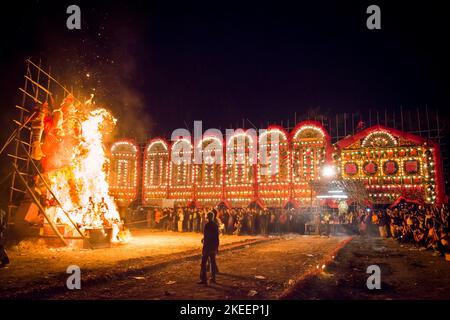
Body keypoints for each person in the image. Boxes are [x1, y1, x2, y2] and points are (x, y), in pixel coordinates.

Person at [198, 211, 219, 285]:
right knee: (212, 263)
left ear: (208, 217)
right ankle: (213, 278)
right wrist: (216, 247)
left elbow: (206, 236)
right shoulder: (215, 225)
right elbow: (217, 237)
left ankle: (204, 279)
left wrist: (203, 241)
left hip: (207, 247)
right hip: (213, 246)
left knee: (203, 263)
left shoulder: (207, 225)